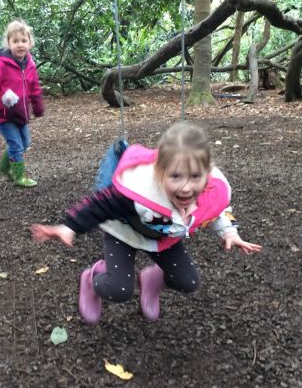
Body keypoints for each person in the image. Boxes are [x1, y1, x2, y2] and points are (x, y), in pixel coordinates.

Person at [31, 122, 262, 324]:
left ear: (207, 173)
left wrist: (229, 232)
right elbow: (100, 204)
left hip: (162, 239)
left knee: (188, 282)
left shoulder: (209, 190)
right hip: (124, 233)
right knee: (119, 289)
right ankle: (92, 280)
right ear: (160, 172)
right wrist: (69, 226)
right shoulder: (139, 192)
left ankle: (151, 281)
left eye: (194, 177)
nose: (186, 187)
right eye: (176, 176)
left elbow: (217, 209)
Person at [0, 19, 44, 187]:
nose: (20, 45)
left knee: (25, 143)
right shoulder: (0, 64)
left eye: (23, 40)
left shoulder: (29, 64)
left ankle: (4, 167)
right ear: (8, 43)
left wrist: (38, 106)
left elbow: (34, 87)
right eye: (15, 41)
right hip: (4, 115)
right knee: (16, 145)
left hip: (21, 113)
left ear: (30, 43)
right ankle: (19, 176)